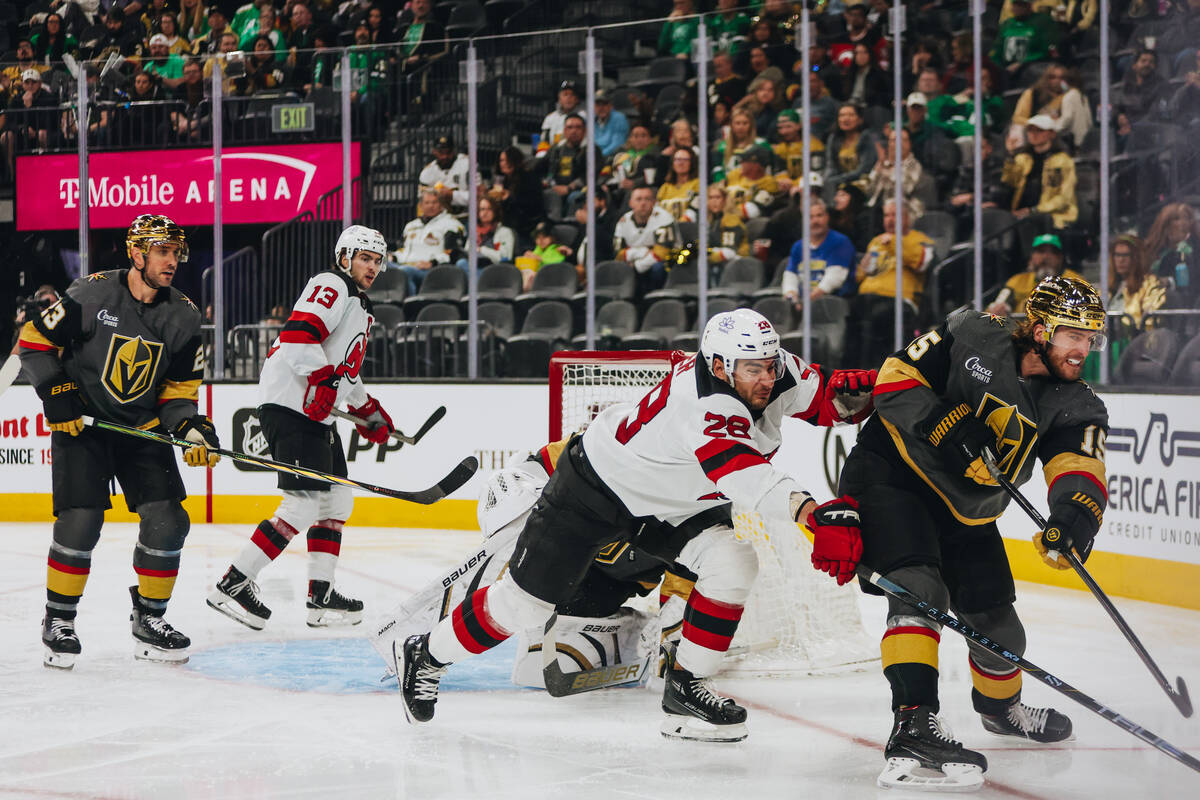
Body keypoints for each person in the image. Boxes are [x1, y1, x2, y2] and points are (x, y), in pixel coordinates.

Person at [395, 308, 876, 741]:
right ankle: (427, 654)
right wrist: (811, 513)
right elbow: (748, 477)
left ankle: (686, 688)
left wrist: (883, 389)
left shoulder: (767, 368)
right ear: (720, 366)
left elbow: (827, 402)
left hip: (671, 502)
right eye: (755, 370)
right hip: (595, 488)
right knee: (521, 606)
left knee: (733, 562)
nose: (768, 378)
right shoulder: (705, 403)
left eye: (771, 365)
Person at [827, 276, 1108, 789]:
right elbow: (893, 379)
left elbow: (1079, 469)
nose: (1083, 349)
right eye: (1075, 335)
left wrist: (1072, 520)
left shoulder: (1076, 402)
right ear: (1041, 329)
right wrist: (945, 423)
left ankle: (1001, 711)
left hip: (966, 510)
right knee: (920, 591)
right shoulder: (973, 332)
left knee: (1001, 631)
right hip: (894, 475)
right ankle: (913, 720)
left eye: (1091, 339)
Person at [18, 215, 218, 670]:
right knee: (81, 521)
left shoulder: (184, 316)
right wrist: (58, 393)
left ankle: (150, 619)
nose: (172, 261)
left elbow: (178, 396)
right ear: (137, 253)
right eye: (163, 251)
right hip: (82, 426)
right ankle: (59, 621)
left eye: (176, 252)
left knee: (169, 520)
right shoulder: (90, 293)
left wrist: (190, 429)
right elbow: (32, 344)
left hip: (141, 430)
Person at [208, 226, 396, 631]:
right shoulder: (332, 284)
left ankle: (320, 596)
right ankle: (233, 583)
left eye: (378, 260)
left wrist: (366, 410)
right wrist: (323, 379)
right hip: (291, 406)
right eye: (365, 258)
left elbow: (344, 368)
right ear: (344, 257)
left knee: (336, 503)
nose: (372, 267)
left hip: (316, 414)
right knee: (303, 504)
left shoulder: (362, 307)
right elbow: (297, 337)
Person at [851, 199, 935, 368]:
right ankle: (853, 371)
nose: (889, 219)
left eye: (894, 215)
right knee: (852, 313)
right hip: (868, 298)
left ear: (906, 218)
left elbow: (922, 262)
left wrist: (895, 243)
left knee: (877, 315)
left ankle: (878, 371)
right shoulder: (876, 241)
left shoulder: (920, 239)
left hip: (899, 301)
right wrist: (865, 264)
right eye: (886, 215)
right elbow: (860, 276)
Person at [998, 114, 1077, 233]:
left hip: (1052, 216)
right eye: (1030, 130)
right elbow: (1009, 182)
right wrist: (1010, 156)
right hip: (1019, 214)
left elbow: (1064, 198)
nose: (1033, 134)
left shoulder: (1063, 161)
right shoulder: (1022, 158)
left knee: (1032, 223)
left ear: (1052, 134)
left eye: (1039, 130)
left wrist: (1034, 210)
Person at [782, 197, 858, 308]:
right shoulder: (798, 246)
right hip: (803, 303)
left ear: (827, 217)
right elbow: (790, 275)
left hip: (832, 303)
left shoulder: (840, 242)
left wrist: (804, 303)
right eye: (810, 217)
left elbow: (833, 280)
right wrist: (791, 296)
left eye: (819, 215)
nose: (815, 221)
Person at [986, 233, 1083, 316]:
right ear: (1032, 256)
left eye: (1053, 252)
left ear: (1060, 258)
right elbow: (997, 305)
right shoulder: (1017, 280)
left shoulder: (1075, 281)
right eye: (1041, 251)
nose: (1046, 257)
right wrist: (998, 308)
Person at [391, 190, 465, 295]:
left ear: (441, 205)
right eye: (427, 203)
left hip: (431, 270)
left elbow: (452, 252)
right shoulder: (411, 226)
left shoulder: (451, 225)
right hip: (404, 264)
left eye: (434, 202)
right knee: (380, 267)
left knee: (405, 271)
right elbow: (403, 250)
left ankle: (408, 307)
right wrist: (393, 257)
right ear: (420, 206)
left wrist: (432, 263)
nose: (431, 206)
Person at [1107, 234, 1166, 361]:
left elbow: (1150, 326)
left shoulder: (1150, 284)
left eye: (1125, 255)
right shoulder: (1108, 288)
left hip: (1133, 350)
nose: (1120, 260)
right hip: (1106, 347)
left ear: (1136, 258)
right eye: (1117, 255)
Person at [1010, 63, 1091, 154]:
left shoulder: (1069, 97)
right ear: (1046, 79)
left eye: (1061, 78)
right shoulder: (1032, 94)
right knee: (1017, 129)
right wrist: (1037, 124)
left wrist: (1053, 125)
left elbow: (1067, 121)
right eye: (1053, 77)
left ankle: (1079, 148)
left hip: (1058, 136)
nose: (1057, 81)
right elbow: (1018, 118)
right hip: (1033, 132)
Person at [613, 184, 679, 294]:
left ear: (654, 202)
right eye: (638, 199)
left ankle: (654, 299)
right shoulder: (623, 221)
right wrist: (644, 251)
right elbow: (619, 254)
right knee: (619, 268)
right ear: (631, 203)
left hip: (668, 263)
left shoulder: (664, 218)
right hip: (639, 262)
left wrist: (637, 266)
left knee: (658, 268)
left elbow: (662, 254)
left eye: (647, 199)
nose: (643, 203)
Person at [1144, 202, 1200, 299]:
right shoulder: (1154, 250)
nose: (1182, 223)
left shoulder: (1193, 251)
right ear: (1166, 223)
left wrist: (1170, 281)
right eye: (1176, 219)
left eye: (1186, 218)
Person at [489, 146, 544, 239]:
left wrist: (510, 198)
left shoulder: (529, 177)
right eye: (501, 160)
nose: (503, 163)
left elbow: (533, 204)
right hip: (507, 218)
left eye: (506, 160)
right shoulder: (502, 180)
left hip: (525, 221)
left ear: (515, 161)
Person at [824, 102, 876, 192]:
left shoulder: (867, 138)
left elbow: (864, 170)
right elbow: (831, 166)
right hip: (840, 183)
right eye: (842, 115)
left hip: (862, 182)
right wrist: (827, 180)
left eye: (851, 115)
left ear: (860, 119)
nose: (845, 119)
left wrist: (836, 180)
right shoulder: (833, 138)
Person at [725, 146, 784, 221]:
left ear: (756, 165)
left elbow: (753, 209)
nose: (741, 163)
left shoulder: (768, 183)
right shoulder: (735, 174)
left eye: (744, 160)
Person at [457, 196, 515, 272]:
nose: (485, 213)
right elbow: (467, 252)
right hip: (475, 267)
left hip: (495, 270)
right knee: (461, 263)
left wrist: (481, 250)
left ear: (495, 211)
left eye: (489, 209)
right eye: (482, 209)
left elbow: (505, 257)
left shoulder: (505, 232)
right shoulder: (475, 232)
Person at [418, 135, 470, 216]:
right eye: (441, 153)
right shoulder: (426, 173)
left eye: (448, 153)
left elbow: (478, 197)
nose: (445, 156)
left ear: (454, 151)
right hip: (440, 219)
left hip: (467, 215)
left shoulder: (467, 164)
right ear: (434, 151)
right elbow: (423, 203)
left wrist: (453, 195)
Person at [705, 184, 750, 264]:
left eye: (718, 197)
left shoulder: (731, 219)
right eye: (710, 198)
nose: (714, 201)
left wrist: (703, 257)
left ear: (725, 200)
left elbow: (728, 252)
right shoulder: (710, 220)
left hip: (737, 263)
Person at [539, 79, 586, 154]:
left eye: (572, 95)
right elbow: (544, 142)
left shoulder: (584, 116)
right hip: (553, 156)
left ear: (577, 99)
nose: (569, 98)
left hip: (577, 155)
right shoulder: (550, 118)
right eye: (565, 94)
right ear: (559, 98)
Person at [657, 147, 701, 222]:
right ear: (672, 163)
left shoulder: (698, 184)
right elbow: (657, 212)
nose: (681, 163)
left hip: (688, 228)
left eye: (685, 160)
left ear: (692, 163)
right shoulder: (665, 187)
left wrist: (680, 224)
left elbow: (695, 209)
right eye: (677, 160)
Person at [591, 90, 630, 159]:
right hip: (596, 158)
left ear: (610, 105)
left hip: (613, 157)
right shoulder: (592, 119)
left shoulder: (619, 118)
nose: (601, 108)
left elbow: (617, 144)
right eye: (598, 104)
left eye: (605, 104)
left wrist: (598, 157)